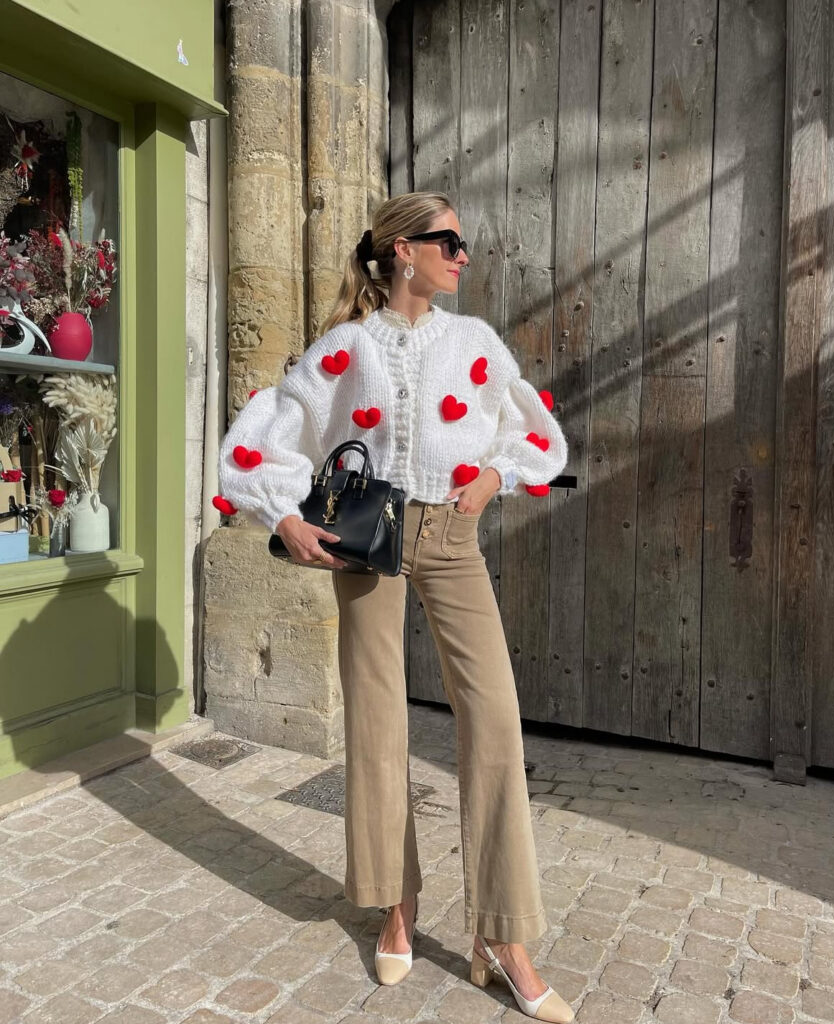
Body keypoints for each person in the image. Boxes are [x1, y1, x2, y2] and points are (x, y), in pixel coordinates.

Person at [217, 191, 573, 1023]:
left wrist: (494, 476)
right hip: (364, 538)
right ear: (402, 250)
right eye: (447, 241)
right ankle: (395, 907)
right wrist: (284, 516)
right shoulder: (343, 348)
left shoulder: (473, 341)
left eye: (462, 244)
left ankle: (503, 935)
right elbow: (269, 434)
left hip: (450, 533)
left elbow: (532, 435)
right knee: (375, 718)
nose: (462, 256)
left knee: (494, 715)